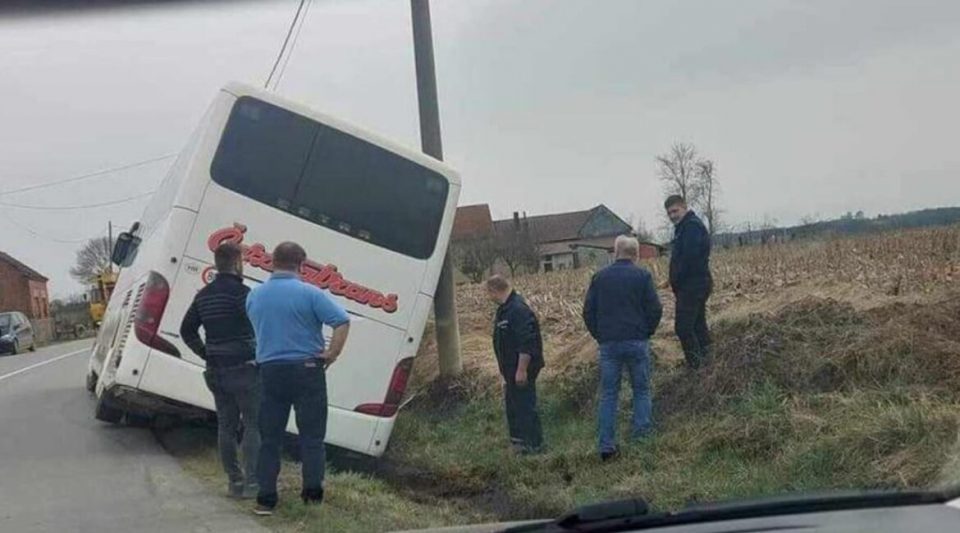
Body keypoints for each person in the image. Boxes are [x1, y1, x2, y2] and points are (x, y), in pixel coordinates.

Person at [245, 241, 350, 516]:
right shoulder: (310, 293)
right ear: (301, 265)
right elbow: (341, 320)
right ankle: (312, 496)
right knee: (312, 437)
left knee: (270, 437)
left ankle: (266, 498)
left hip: (270, 372)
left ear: (272, 262)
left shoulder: (254, 296)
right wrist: (332, 353)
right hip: (307, 370)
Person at [180, 242, 260, 500]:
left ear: (217, 263)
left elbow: (186, 330)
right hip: (245, 369)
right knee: (252, 425)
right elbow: (259, 326)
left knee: (226, 426)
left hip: (216, 371)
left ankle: (234, 482)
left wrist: (205, 352)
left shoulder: (203, 296)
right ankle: (252, 483)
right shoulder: (244, 294)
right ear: (237, 263)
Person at [583, 235, 662, 461]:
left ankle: (606, 445)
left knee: (608, 395)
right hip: (637, 341)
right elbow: (655, 309)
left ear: (615, 252)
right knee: (642, 390)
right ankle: (642, 439)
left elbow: (588, 312)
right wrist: (647, 332)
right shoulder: (643, 276)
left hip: (609, 344)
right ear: (636, 254)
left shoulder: (599, 278)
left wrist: (600, 335)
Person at [486, 275, 545, 454]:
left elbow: (527, 342)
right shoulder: (505, 310)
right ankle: (519, 443)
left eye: (488, 293)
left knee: (525, 405)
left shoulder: (517, 309)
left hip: (521, 368)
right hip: (510, 369)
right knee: (514, 405)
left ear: (494, 291)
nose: (488, 297)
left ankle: (534, 445)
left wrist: (521, 370)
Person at [665, 194, 713, 369]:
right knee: (698, 324)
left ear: (684, 207)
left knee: (683, 328)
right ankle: (708, 361)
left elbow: (689, 258)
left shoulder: (691, 227)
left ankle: (696, 367)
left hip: (693, 285)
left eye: (675, 211)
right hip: (694, 284)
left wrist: (677, 278)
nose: (672, 216)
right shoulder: (683, 228)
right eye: (669, 213)